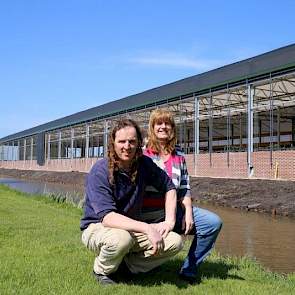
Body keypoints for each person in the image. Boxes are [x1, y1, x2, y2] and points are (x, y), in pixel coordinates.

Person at [80, 118, 183, 285]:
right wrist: (147, 228)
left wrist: (169, 221)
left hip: (131, 228)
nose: (127, 146)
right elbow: (108, 217)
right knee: (121, 239)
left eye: (132, 141)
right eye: (122, 141)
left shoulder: (144, 164)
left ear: (138, 143)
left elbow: (169, 187)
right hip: (97, 227)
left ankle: (127, 268)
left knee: (174, 242)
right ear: (113, 143)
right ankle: (101, 270)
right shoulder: (100, 171)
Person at [142, 108, 222, 283]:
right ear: (152, 127)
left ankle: (189, 269)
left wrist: (188, 212)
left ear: (173, 128)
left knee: (212, 223)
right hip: (147, 214)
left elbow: (185, 187)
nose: (164, 127)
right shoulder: (142, 154)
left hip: (175, 212)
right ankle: (139, 263)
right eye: (159, 123)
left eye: (168, 123)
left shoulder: (178, 155)